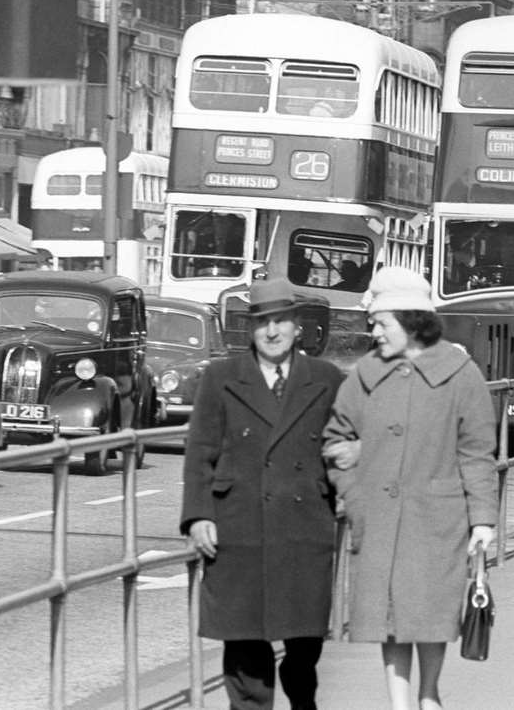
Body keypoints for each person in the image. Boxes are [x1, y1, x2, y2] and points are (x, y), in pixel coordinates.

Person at [322, 267, 497, 710]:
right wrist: (355, 491)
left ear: (411, 321)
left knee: (431, 613)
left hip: (437, 519)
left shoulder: (460, 374)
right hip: (380, 518)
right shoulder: (365, 374)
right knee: (390, 616)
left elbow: (477, 452)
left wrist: (483, 521)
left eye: (382, 323)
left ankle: (429, 694)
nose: (373, 332)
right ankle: (400, 703)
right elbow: (335, 440)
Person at [180, 278, 345, 710]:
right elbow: (200, 452)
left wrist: (348, 490)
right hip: (240, 526)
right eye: (262, 323)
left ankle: (299, 688)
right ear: (250, 329)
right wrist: (198, 516)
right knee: (245, 649)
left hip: (305, 524)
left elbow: (344, 445)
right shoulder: (221, 378)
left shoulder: (326, 379)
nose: (272, 332)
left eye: (281, 322)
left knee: (305, 645)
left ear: (297, 327)